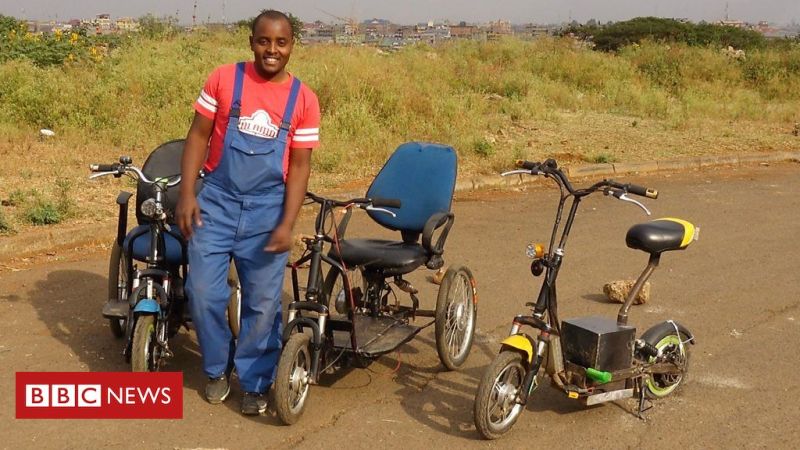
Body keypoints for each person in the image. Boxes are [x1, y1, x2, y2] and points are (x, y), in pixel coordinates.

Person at [176, 9, 320, 416]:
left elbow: (301, 166)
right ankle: (217, 368)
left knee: (262, 303)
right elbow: (197, 136)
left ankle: (256, 381)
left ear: (292, 45)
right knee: (203, 292)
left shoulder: (303, 99)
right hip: (216, 202)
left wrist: (286, 223)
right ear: (251, 41)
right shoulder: (224, 78)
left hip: (268, 211)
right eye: (264, 41)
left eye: (281, 42)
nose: (271, 50)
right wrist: (188, 195)